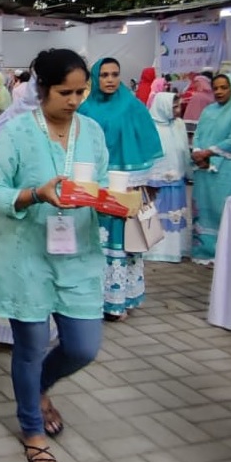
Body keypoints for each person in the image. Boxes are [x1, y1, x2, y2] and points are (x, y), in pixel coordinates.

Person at [0, 48, 109, 462]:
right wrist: (35, 193)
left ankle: (38, 389)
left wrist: (116, 203)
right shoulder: (18, 133)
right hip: (27, 255)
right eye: (65, 92)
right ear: (42, 89)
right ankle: (32, 429)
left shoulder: (91, 131)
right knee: (31, 347)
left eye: (81, 91)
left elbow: (102, 182)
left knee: (82, 346)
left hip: (78, 254)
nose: (74, 101)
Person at [79, 57, 163, 321]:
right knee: (96, 243)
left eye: (115, 74)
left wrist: (147, 183)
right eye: (104, 75)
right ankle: (92, 301)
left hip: (128, 185)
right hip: (94, 187)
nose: (110, 80)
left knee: (124, 242)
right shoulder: (85, 110)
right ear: (94, 78)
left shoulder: (133, 107)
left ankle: (118, 300)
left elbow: (149, 143)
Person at [191, 73, 231, 265]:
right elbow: (198, 134)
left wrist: (208, 152)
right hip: (204, 169)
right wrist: (197, 152)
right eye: (216, 88)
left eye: (224, 87)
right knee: (205, 210)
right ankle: (205, 251)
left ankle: (227, 255)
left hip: (229, 171)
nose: (219, 92)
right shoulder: (209, 110)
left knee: (224, 211)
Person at [145, 92, 192, 263]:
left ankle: (173, 251)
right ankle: (153, 250)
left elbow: (184, 151)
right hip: (155, 181)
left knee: (173, 215)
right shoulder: (149, 125)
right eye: (173, 107)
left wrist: (187, 172)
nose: (178, 111)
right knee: (156, 214)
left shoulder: (178, 125)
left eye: (179, 106)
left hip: (176, 179)